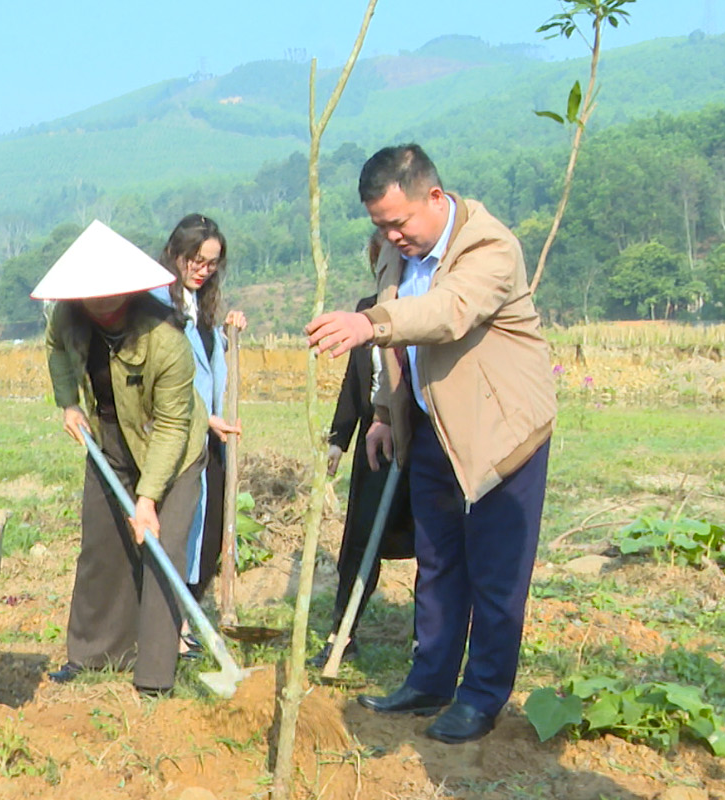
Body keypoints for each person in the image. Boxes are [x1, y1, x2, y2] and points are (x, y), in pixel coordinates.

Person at [305, 144, 556, 744]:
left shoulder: (490, 247)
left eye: (400, 221)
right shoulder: (394, 254)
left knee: (495, 572)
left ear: (435, 198)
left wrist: (368, 323)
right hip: (432, 428)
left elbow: (446, 314)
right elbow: (402, 350)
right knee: (438, 562)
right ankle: (431, 679)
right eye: (380, 225)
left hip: (502, 433)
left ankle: (482, 695)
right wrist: (388, 414)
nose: (393, 235)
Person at [39, 220, 208, 698]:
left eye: (110, 294)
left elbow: (174, 427)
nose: (101, 304)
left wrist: (149, 498)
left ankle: (154, 673)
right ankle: (94, 653)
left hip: (169, 447)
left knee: (161, 548)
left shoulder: (166, 340)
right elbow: (55, 351)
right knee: (102, 544)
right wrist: (69, 402)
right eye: (90, 294)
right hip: (110, 437)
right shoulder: (68, 318)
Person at [154, 214, 246, 658]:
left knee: (203, 538)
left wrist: (227, 330)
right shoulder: (157, 304)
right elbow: (169, 376)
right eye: (196, 259)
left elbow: (207, 362)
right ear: (176, 253)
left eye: (211, 263)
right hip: (174, 438)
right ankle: (167, 627)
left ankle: (186, 622)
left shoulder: (200, 306)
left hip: (208, 440)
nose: (203, 269)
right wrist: (202, 419)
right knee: (177, 534)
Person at [309, 289, 415, 668]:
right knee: (359, 540)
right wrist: (339, 438)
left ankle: (428, 644)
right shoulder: (366, 311)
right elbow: (355, 381)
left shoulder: (430, 304)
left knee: (434, 545)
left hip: (424, 438)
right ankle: (343, 633)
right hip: (376, 440)